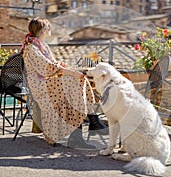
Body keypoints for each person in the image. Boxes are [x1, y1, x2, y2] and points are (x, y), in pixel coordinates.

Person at [20, 17, 107, 149]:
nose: (50, 29)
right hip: (40, 85)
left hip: (48, 81)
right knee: (73, 80)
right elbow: (47, 68)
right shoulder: (31, 48)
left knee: (79, 81)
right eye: (48, 27)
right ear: (43, 30)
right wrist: (70, 72)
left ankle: (89, 122)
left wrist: (63, 66)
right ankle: (89, 122)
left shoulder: (42, 46)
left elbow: (53, 65)